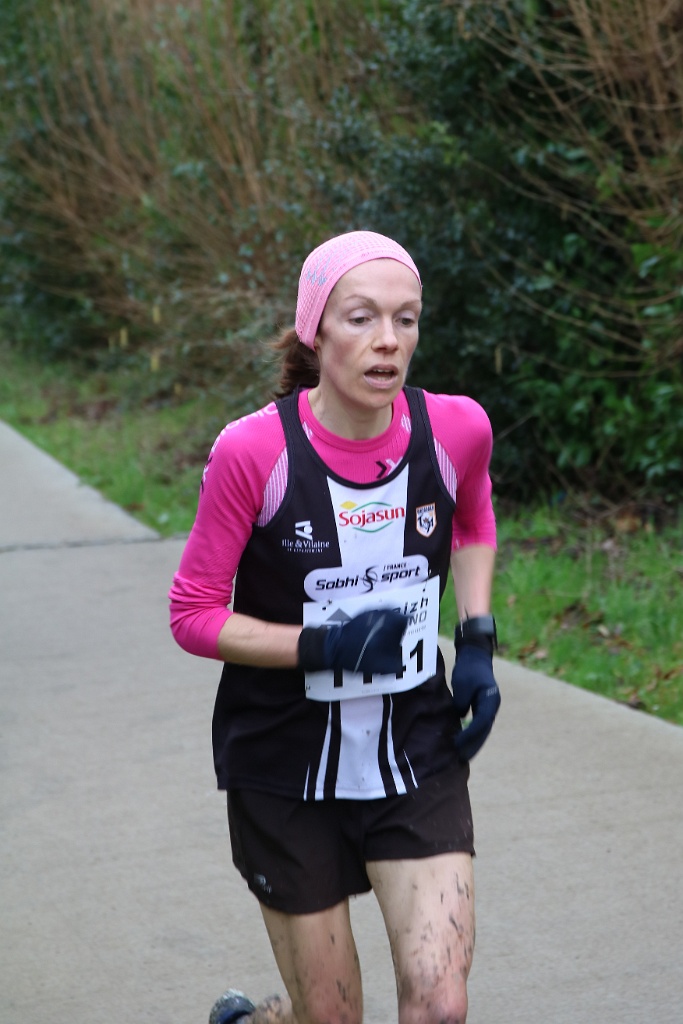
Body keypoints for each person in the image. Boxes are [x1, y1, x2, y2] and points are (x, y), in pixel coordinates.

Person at [169, 230, 500, 1024]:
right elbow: (193, 614)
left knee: (441, 1006)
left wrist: (477, 641)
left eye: (406, 319)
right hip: (284, 760)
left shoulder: (455, 429)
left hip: (414, 744)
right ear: (314, 329)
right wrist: (320, 646)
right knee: (330, 1018)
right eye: (361, 318)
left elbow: (471, 520)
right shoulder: (254, 451)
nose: (388, 340)